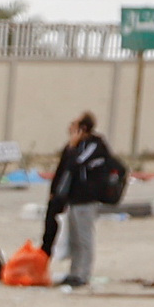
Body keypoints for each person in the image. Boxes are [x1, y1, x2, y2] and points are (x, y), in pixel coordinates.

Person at [47, 111, 118, 290]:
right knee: (74, 239)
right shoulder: (75, 145)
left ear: (83, 128)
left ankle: (83, 274)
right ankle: (74, 273)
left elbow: (75, 163)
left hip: (86, 199)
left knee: (84, 239)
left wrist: (72, 146)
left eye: (74, 124)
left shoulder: (95, 145)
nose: (70, 128)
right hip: (73, 199)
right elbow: (62, 168)